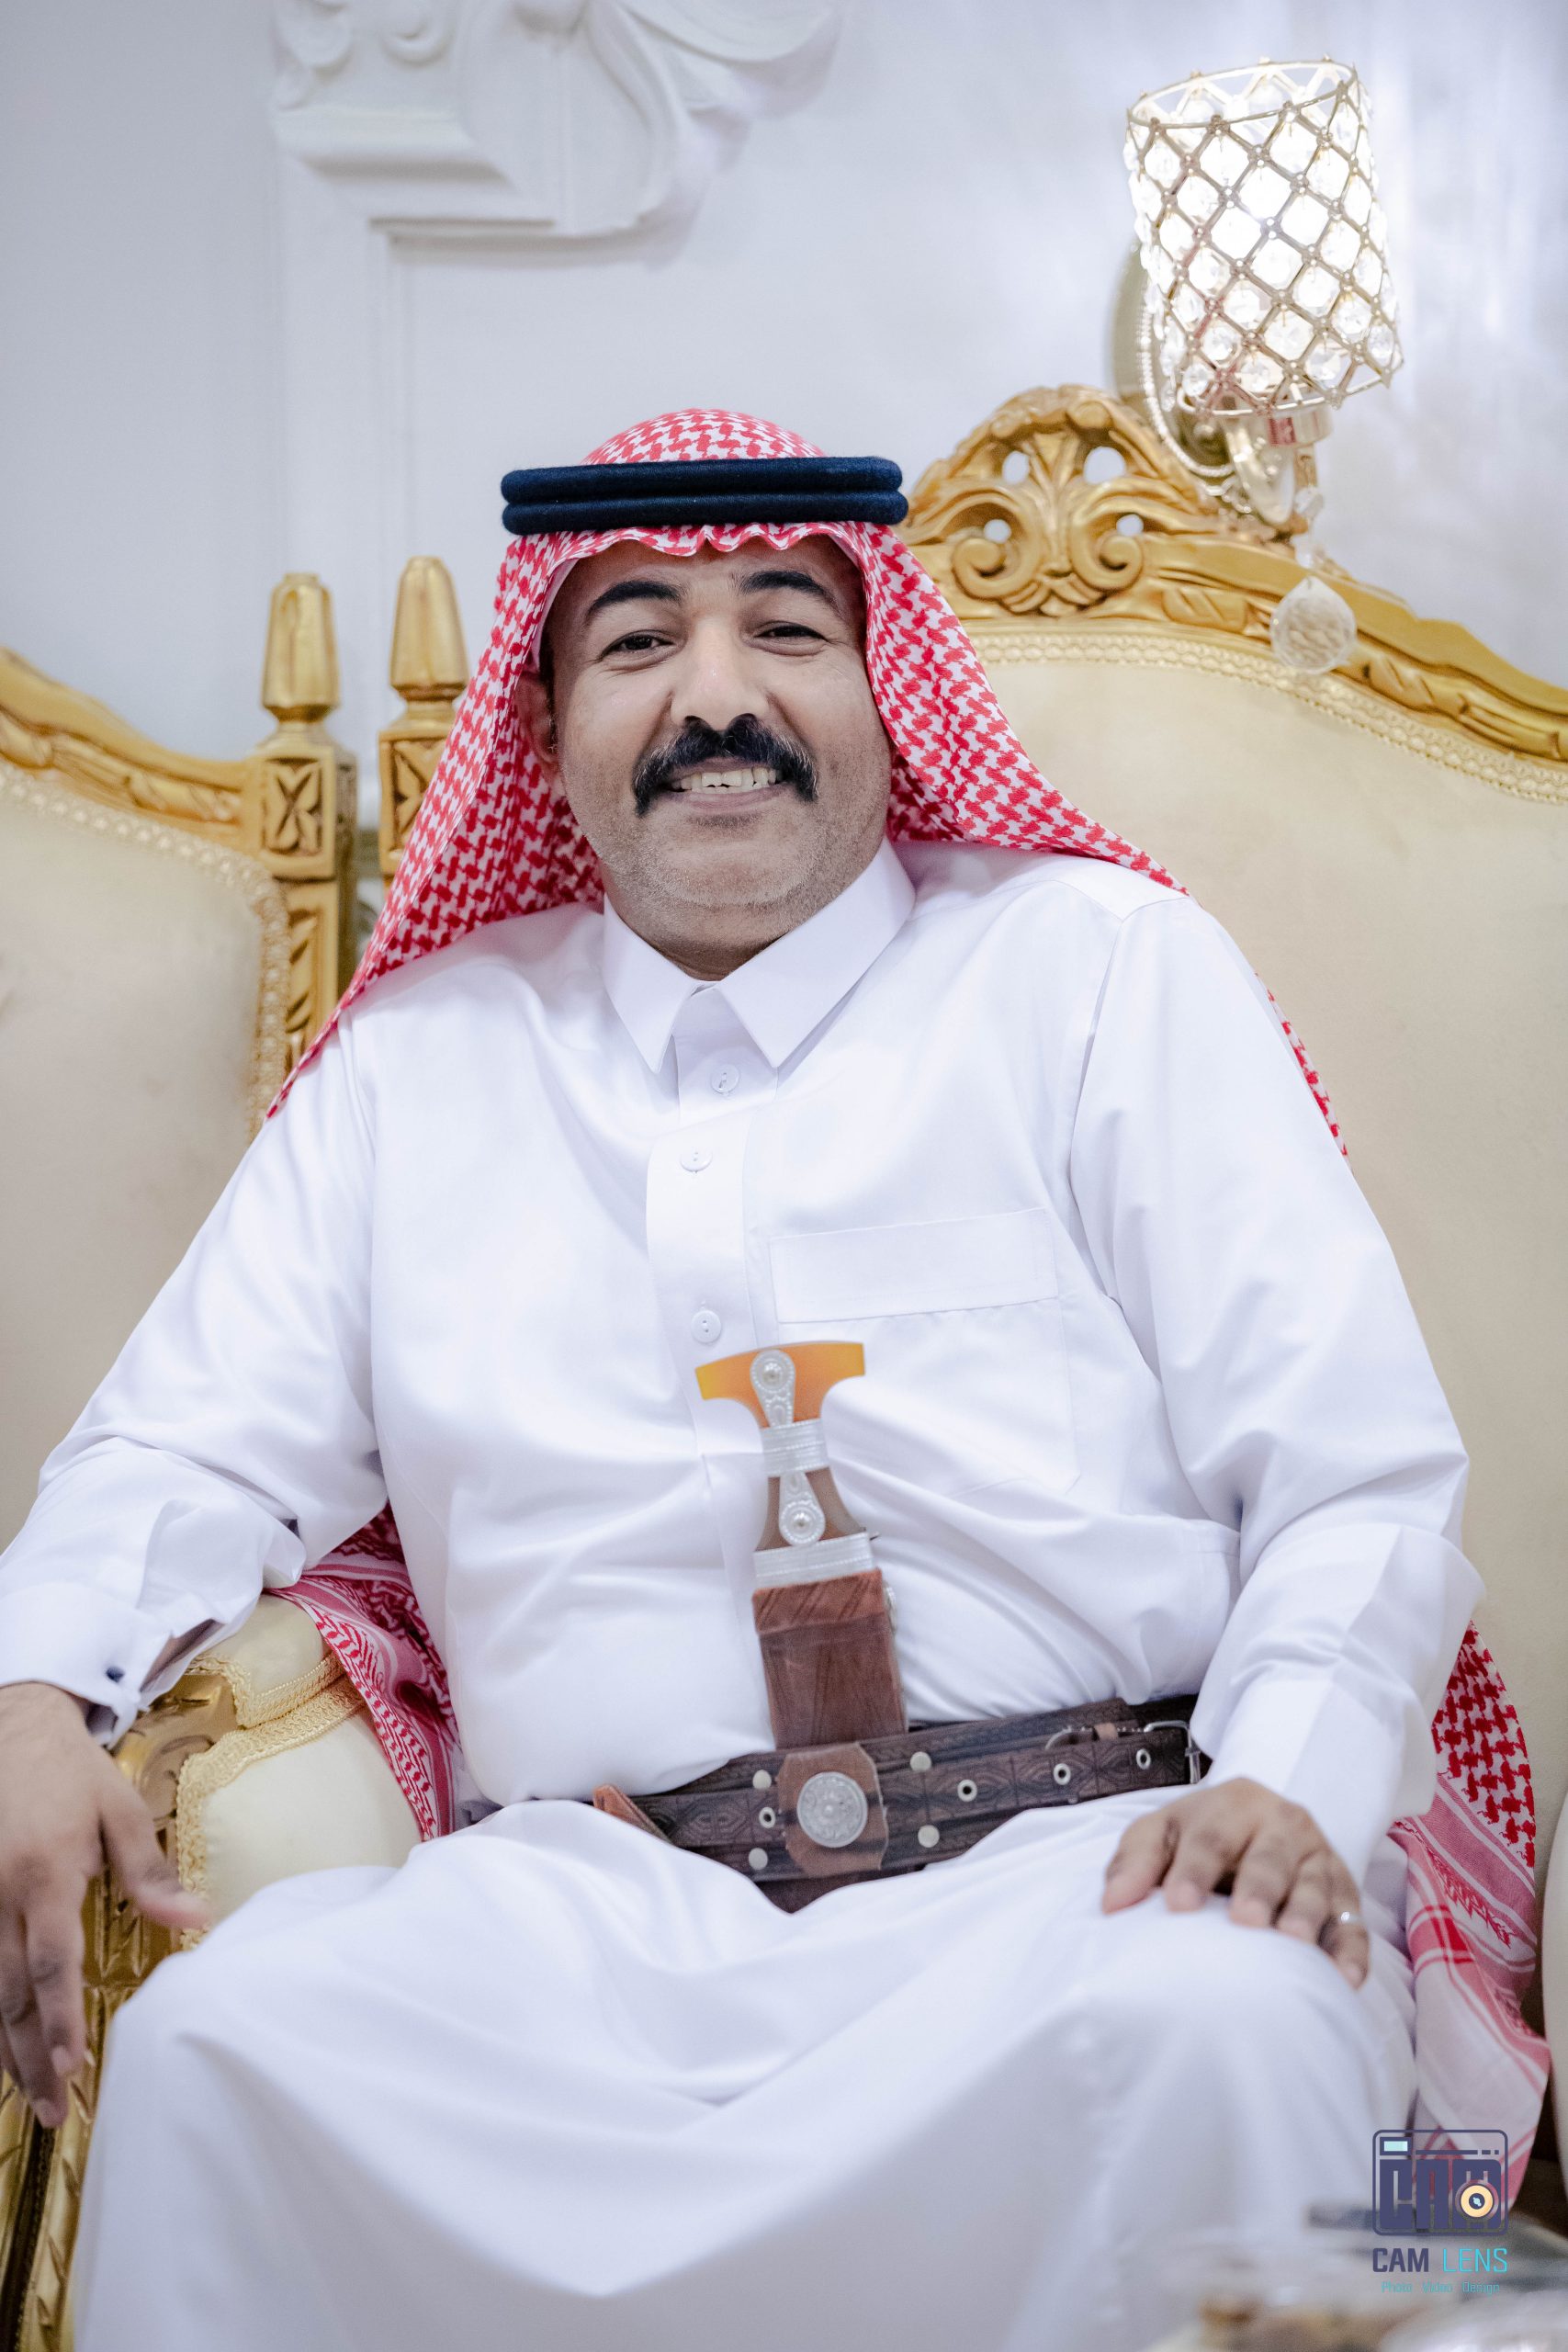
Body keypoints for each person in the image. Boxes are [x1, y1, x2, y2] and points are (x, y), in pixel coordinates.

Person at [0, 412, 1535, 2352]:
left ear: (888, 684)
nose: (714, 697)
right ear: (544, 725)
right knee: (223, 2052)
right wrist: (32, 1697)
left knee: (1222, 2029)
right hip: (595, 1913)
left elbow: (1349, 1471)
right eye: (637, 640)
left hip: (1080, 1878)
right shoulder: (420, 1066)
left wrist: (1279, 1786)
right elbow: (180, 1441)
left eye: (786, 629)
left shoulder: (1095, 973)